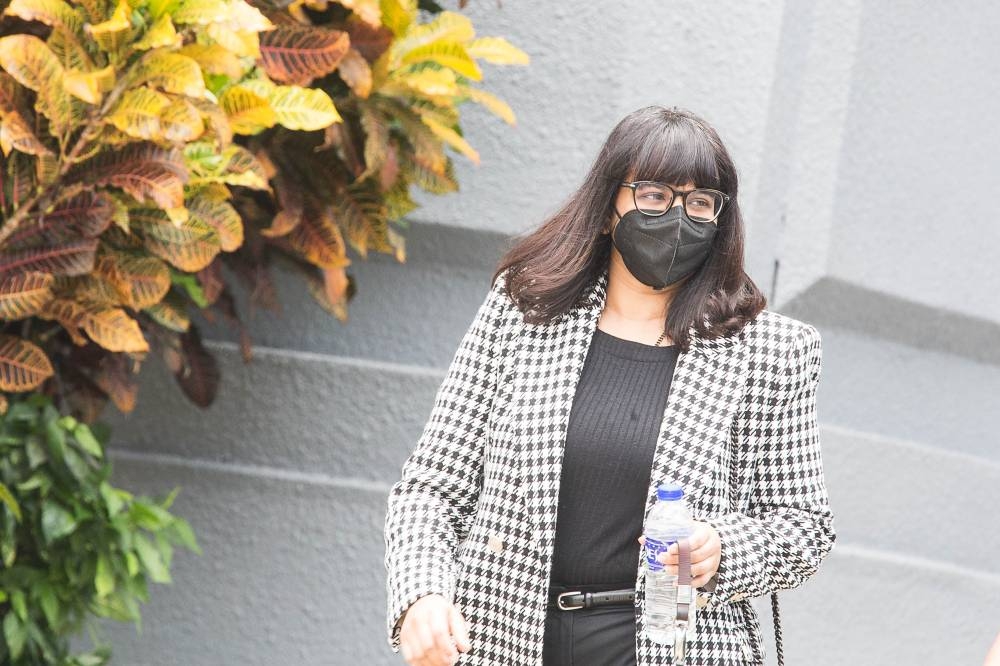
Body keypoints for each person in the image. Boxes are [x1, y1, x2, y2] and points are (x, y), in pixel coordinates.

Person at [384, 105, 836, 666]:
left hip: (675, 645)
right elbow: (431, 488)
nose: (677, 217)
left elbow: (803, 528)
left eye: (700, 203)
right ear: (607, 208)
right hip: (506, 639)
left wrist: (723, 549)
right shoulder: (522, 308)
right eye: (653, 195)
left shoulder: (771, 350)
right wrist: (422, 595)